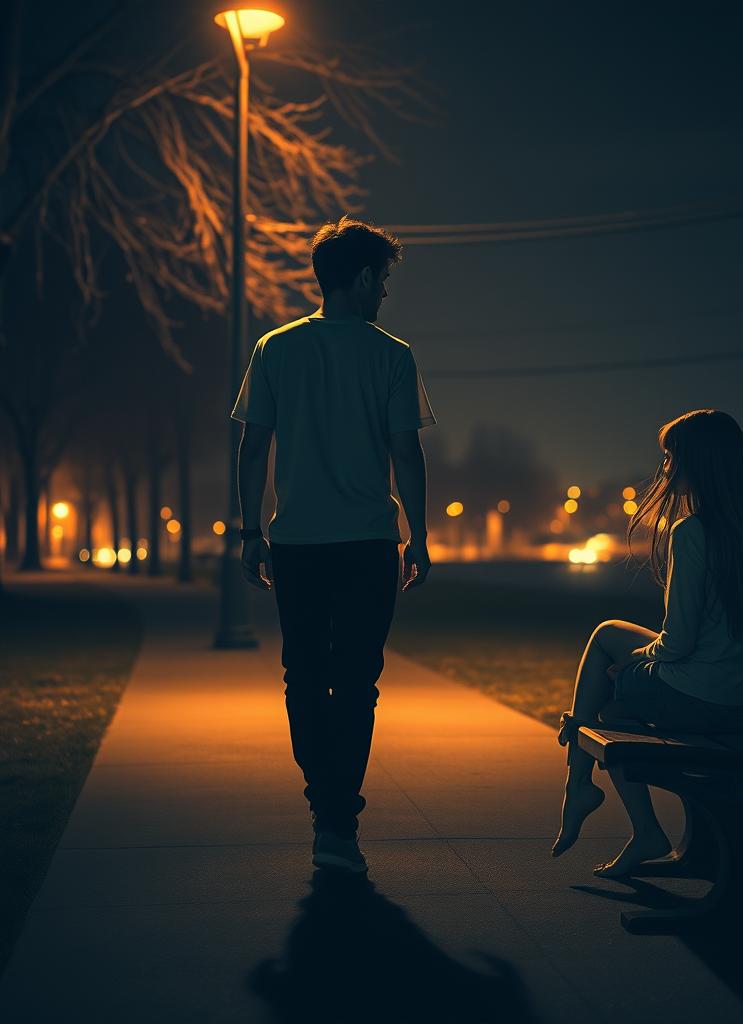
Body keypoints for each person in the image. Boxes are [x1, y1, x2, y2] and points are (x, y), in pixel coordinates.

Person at [231, 217, 436, 875]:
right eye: (384, 281)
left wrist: (250, 531)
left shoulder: (275, 348)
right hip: (369, 543)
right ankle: (338, 820)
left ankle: (327, 807)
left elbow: (252, 445)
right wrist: (421, 538)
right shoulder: (392, 356)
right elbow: (406, 451)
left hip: (296, 545)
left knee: (304, 676)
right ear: (365, 278)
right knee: (356, 684)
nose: (386, 295)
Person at [551, 409, 743, 877]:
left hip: (698, 697)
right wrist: (639, 662)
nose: (665, 469)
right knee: (612, 671)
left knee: (609, 671)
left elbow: (679, 641)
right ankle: (601, 798)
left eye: (671, 457)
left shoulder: (692, 532)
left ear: (698, 464)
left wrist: (633, 665)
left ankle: (581, 785)